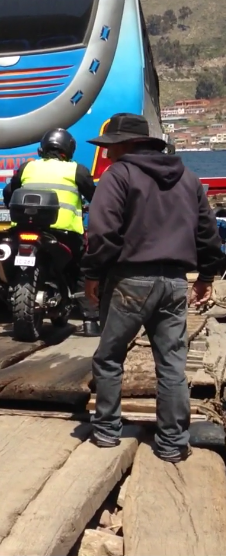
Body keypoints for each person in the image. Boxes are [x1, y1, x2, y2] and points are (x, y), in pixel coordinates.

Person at [82, 112, 224, 462]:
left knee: (109, 357)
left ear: (127, 145)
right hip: (175, 283)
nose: (108, 154)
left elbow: (102, 232)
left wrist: (93, 274)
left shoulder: (119, 175)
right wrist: (206, 277)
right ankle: (173, 443)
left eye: (111, 147)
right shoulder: (188, 179)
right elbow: (208, 233)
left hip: (130, 281)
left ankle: (106, 432)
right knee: (172, 364)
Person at [2, 128, 100, 336]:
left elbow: (9, 192)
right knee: (84, 268)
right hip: (65, 234)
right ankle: (91, 321)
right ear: (69, 150)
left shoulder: (27, 167)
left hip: (24, 230)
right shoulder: (76, 170)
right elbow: (96, 197)